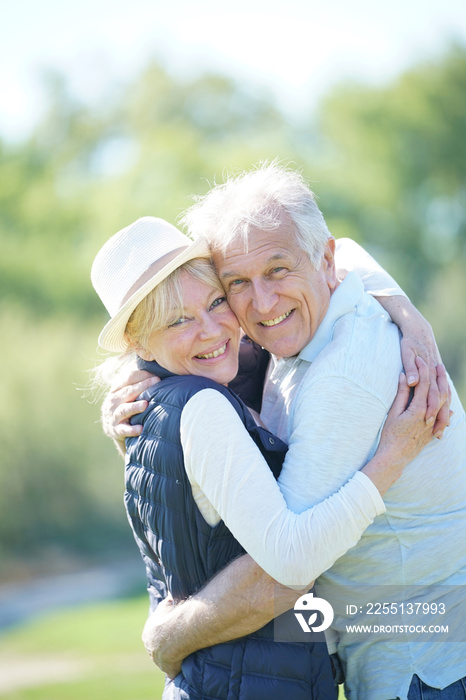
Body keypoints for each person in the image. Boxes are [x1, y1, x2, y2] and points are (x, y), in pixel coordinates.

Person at [104, 165, 465, 700]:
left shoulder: (343, 370)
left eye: (278, 270)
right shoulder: (288, 340)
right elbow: (341, 254)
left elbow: (284, 573)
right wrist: (148, 371)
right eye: (236, 285)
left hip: (424, 667)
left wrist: (168, 635)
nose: (264, 303)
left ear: (326, 262)